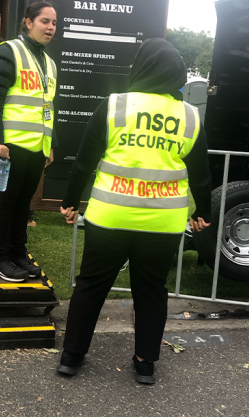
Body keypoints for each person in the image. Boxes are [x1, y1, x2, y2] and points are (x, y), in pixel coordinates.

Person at [56, 39, 213, 384]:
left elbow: (83, 162)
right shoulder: (189, 116)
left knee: (91, 285)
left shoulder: (113, 107)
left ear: (138, 68)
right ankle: (145, 363)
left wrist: (69, 202)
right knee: (151, 289)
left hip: (110, 217)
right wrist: (204, 212)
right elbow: (201, 175)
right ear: (177, 74)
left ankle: (72, 357)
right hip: (162, 222)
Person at [0, 0, 58, 282]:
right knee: (4, 203)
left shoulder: (49, 64)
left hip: (37, 148)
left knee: (23, 204)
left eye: (53, 23)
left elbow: (48, 106)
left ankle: (16, 254)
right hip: (10, 148)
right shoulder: (9, 51)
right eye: (44, 21)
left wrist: (51, 143)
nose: (50, 27)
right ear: (28, 22)